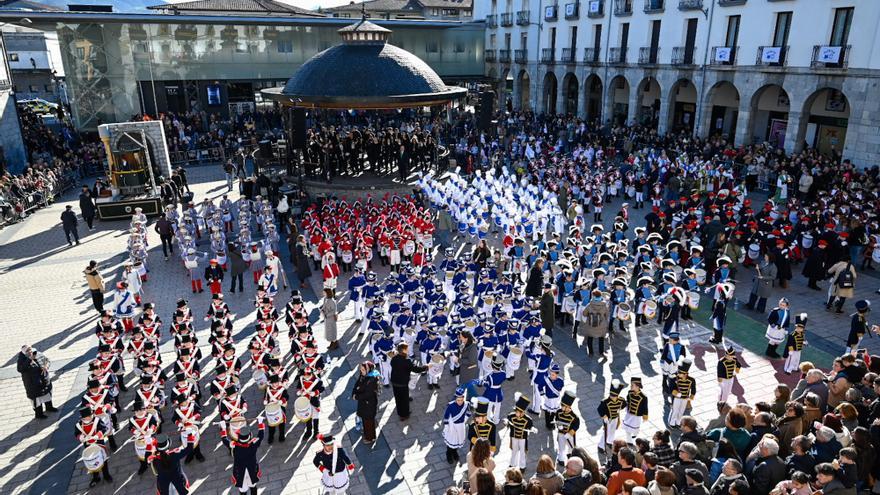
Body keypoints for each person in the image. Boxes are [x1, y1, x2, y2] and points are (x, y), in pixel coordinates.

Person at [219, 418, 265, 495]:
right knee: (253, 486)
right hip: (252, 469)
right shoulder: (253, 444)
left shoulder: (234, 446)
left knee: (243, 490)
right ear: (249, 436)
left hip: (240, 472)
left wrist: (223, 428)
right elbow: (261, 435)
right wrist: (260, 422)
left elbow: (224, 439)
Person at [389, 342, 426, 420]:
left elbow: (392, 364)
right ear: (403, 350)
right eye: (407, 349)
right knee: (404, 400)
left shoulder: (394, 358)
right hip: (402, 383)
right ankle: (404, 415)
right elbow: (416, 369)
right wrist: (426, 367)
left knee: (398, 398)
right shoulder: (407, 361)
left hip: (394, 381)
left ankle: (400, 412)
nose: (408, 350)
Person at [17, 345, 55, 419]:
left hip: (44, 379)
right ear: (24, 352)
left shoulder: (37, 353)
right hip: (32, 383)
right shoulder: (21, 359)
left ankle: (49, 408)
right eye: (27, 350)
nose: (30, 351)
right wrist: (29, 359)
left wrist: (46, 367)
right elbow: (21, 369)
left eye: (30, 349)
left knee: (47, 394)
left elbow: (47, 360)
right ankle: (39, 414)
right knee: (37, 399)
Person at [352, 361, 380, 444]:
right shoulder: (364, 375)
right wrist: (354, 392)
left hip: (369, 404)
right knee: (366, 420)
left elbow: (368, 394)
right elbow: (357, 383)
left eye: (363, 370)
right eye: (361, 370)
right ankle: (367, 433)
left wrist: (356, 396)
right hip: (364, 403)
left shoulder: (372, 380)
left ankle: (370, 438)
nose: (361, 372)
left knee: (368, 421)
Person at [443, 387, 471, 464]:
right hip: (452, 426)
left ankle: (455, 452)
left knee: (458, 440)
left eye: (461, 400)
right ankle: (448, 454)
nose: (460, 402)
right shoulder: (450, 405)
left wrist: (463, 421)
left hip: (461, 426)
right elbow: (446, 416)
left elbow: (468, 413)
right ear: (455, 399)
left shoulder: (466, 404)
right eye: (458, 400)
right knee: (451, 440)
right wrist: (447, 427)